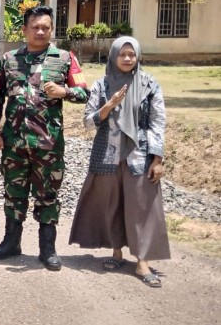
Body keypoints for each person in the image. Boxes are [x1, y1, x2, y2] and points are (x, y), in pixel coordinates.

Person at [0, 5, 88, 270]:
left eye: (46, 27)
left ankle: (48, 249)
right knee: (13, 192)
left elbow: (84, 93)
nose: (41, 31)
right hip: (14, 142)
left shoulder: (65, 58)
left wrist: (63, 91)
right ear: (24, 30)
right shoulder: (9, 60)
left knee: (48, 195)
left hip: (49, 144)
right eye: (35, 27)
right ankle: (12, 242)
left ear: (52, 29)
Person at [69, 37, 170, 287]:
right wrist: (109, 105)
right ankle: (116, 252)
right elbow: (88, 121)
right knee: (111, 204)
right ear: (113, 56)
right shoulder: (102, 84)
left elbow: (157, 123)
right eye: (122, 54)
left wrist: (157, 159)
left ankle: (142, 261)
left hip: (140, 155)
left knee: (140, 207)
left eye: (131, 54)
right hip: (107, 154)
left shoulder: (149, 84)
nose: (127, 59)